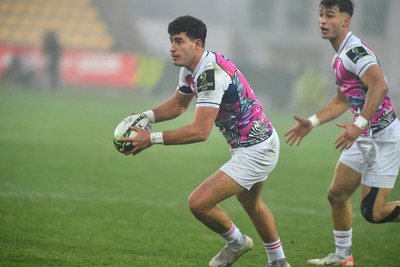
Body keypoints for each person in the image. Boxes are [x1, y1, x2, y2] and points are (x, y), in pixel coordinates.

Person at [118, 15, 291, 267]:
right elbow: (178, 105)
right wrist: (147, 117)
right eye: (171, 41)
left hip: (256, 150)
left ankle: (237, 242)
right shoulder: (192, 68)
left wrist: (151, 138)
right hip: (259, 142)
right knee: (251, 203)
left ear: (197, 44)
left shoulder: (210, 75)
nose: (172, 48)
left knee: (199, 203)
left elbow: (200, 131)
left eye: (179, 41)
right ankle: (279, 261)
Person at [284, 0, 400, 266]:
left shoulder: (355, 51)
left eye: (330, 16)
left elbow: (380, 86)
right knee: (336, 195)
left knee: (374, 212)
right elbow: (341, 101)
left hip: (383, 138)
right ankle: (343, 256)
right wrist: (311, 123)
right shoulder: (339, 55)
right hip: (362, 134)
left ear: (345, 21)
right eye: (321, 15)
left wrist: (358, 125)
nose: (323, 21)